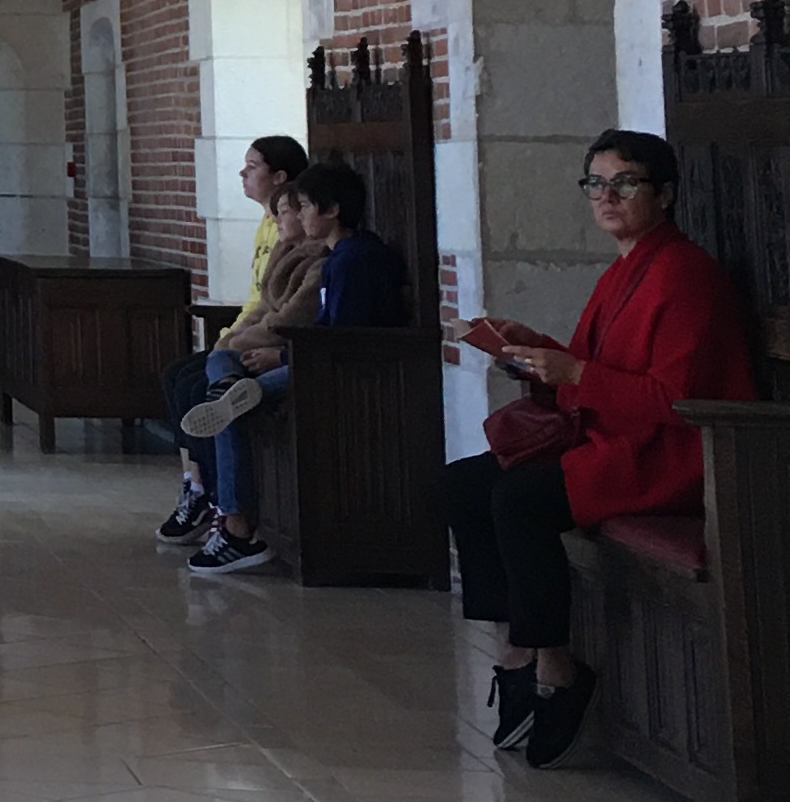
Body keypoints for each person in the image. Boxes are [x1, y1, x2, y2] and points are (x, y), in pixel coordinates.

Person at [449, 129, 753, 765]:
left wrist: (575, 374)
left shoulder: (685, 274)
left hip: (667, 458)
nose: (607, 196)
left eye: (625, 183)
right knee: (461, 486)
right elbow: (589, 369)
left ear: (664, 194)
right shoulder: (624, 270)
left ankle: (556, 667)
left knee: (520, 500)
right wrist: (531, 349)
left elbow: (676, 399)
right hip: (612, 441)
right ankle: (516, 647)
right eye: (596, 184)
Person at [180, 156, 406, 575]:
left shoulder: (353, 260)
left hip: (339, 372)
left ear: (332, 209)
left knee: (231, 409)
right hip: (312, 358)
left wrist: (281, 357)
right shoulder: (341, 256)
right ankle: (228, 392)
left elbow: (342, 341)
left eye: (304, 206)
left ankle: (236, 528)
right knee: (223, 360)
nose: (298, 216)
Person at [154, 136, 314, 545]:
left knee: (201, 388)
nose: (242, 173)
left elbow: (283, 314)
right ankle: (196, 486)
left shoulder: (302, 247)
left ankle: (224, 505)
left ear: (280, 177)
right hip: (252, 338)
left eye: (252, 166)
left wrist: (235, 345)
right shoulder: (269, 226)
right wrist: (229, 339)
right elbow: (258, 302)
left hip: (284, 351)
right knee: (178, 375)